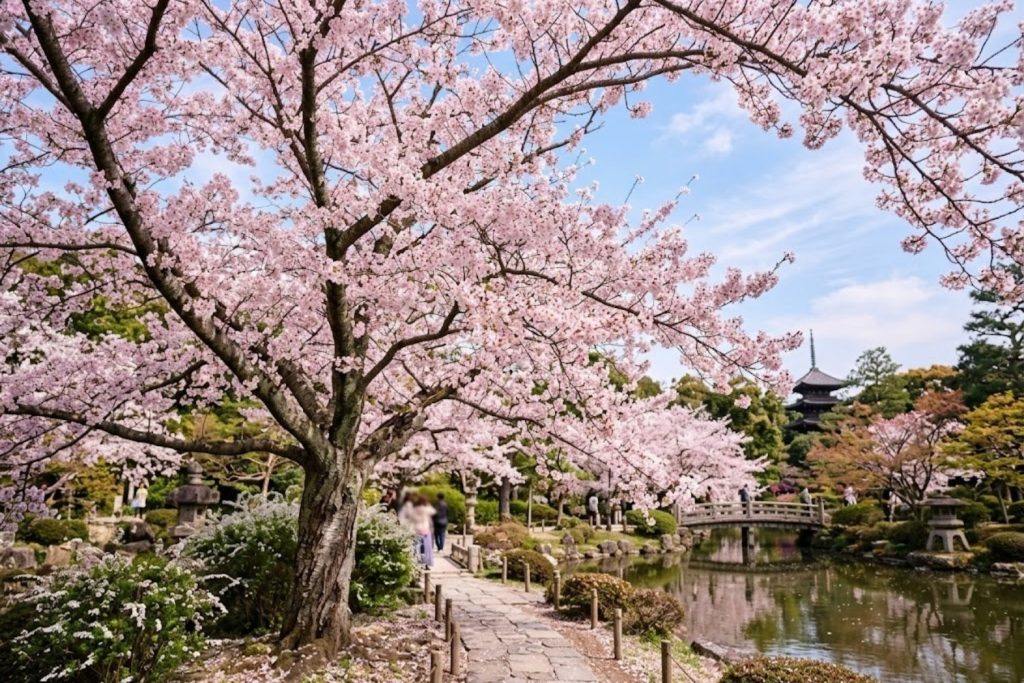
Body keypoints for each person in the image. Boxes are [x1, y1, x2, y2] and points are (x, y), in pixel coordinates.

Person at [410, 494, 436, 568]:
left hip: (416, 530)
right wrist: (428, 504)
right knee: (426, 549)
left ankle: (417, 563)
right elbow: (433, 511)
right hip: (425, 530)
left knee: (416, 548)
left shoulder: (414, 509)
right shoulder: (426, 509)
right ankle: (426, 564)